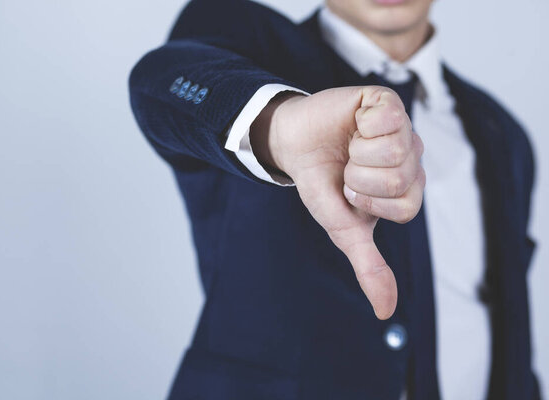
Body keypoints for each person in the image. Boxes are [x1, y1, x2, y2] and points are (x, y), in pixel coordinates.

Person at [128, 0, 540, 398]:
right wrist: (281, 124)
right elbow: (161, 81)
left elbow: (507, 324)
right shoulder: (247, 42)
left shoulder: (503, 135)